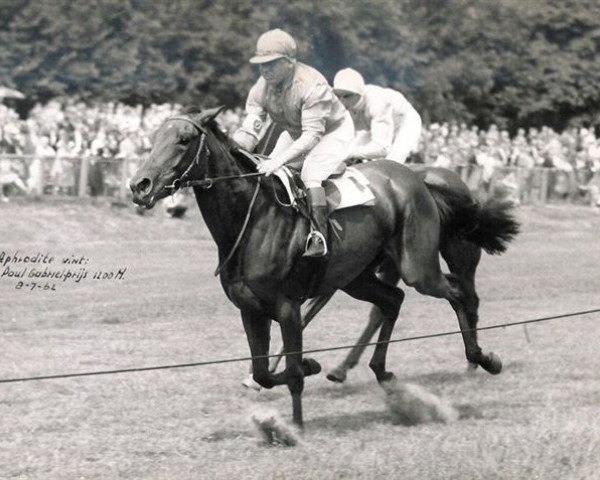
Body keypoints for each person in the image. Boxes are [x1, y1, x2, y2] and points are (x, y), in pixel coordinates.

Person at [232, 29, 354, 258]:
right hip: (295, 130)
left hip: (333, 132)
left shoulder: (311, 85)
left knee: (310, 174)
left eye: (271, 63)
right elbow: (250, 129)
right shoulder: (260, 88)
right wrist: (232, 150)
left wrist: (279, 161)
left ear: (289, 62)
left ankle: (319, 237)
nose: (264, 70)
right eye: (261, 64)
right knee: (267, 169)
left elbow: (312, 136)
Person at [332, 67, 422, 164]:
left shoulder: (377, 102)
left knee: (392, 162)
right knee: (348, 153)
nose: (341, 101)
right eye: (338, 96)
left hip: (406, 123)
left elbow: (382, 148)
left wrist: (351, 153)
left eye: (346, 96)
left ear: (358, 94)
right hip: (373, 125)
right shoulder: (345, 105)